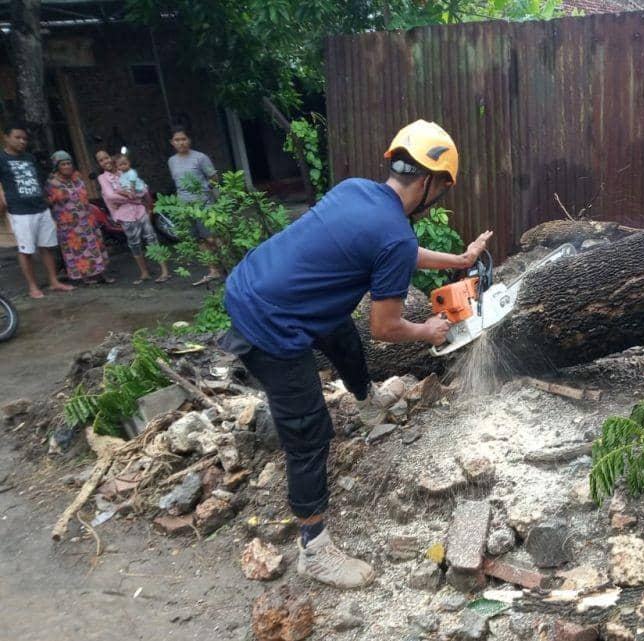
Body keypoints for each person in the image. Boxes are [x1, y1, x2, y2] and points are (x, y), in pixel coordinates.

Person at [220, 120, 492, 588]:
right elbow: (385, 327)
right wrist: (428, 331)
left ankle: (367, 404)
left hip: (253, 283)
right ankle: (315, 549)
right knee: (309, 432)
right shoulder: (394, 234)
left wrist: (459, 262)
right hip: (271, 324)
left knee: (340, 334)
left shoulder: (356, 192)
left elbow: (395, 249)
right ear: (430, 182)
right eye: (443, 189)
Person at [0, 123, 74, 298]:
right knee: (26, 250)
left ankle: (53, 281)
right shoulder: (1, 159)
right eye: (17, 137)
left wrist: (46, 199)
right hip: (20, 211)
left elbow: (39, 180)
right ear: (6, 137)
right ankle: (33, 286)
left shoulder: (29, 158)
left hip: (40, 208)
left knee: (47, 246)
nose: (22, 141)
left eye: (24, 138)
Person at [95, 150, 170, 284]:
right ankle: (144, 272)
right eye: (101, 160)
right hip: (125, 215)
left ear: (111, 157)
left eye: (106, 157)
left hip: (140, 211)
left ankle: (164, 271)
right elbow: (110, 196)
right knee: (134, 243)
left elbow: (144, 189)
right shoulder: (103, 178)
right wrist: (134, 198)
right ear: (99, 164)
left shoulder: (124, 169)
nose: (105, 161)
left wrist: (142, 201)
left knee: (151, 238)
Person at [46, 150, 115, 285]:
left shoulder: (77, 178)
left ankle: (102, 275)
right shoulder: (52, 183)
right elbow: (50, 203)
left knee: (94, 247)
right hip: (69, 225)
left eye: (69, 163)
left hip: (87, 220)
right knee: (78, 251)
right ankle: (86, 278)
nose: (67, 166)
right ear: (57, 166)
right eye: (63, 164)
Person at [167, 125, 222, 286]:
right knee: (199, 240)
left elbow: (213, 177)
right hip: (185, 206)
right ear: (172, 142)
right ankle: (213, 270)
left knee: (212, 237)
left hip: (203, 204)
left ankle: (230, 263)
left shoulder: (200, 158)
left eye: (183, 139)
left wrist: (209, 194)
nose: (181, 143)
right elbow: (177, 183)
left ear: (189, 140)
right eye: (177, 140)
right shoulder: (172, 161)